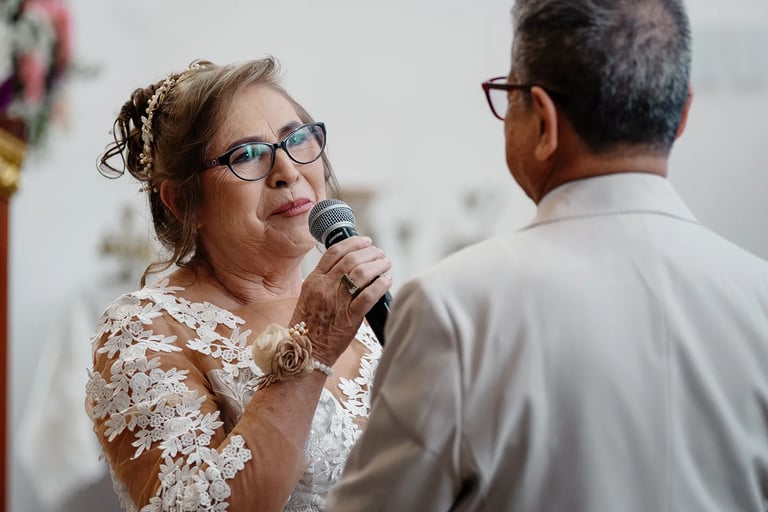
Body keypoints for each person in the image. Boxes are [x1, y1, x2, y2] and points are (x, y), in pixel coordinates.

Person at [326, 0, 768, 510]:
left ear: (544, 121)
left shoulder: (455, 308)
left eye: (507, 94)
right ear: (684, 112)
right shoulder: (758, 297)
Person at [84, 57, 392, 512]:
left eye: (298, 139)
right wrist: (315, 346)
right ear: (184, 201)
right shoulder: (143, 329)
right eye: (247, 154)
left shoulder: (367, 312)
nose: (287, 170)